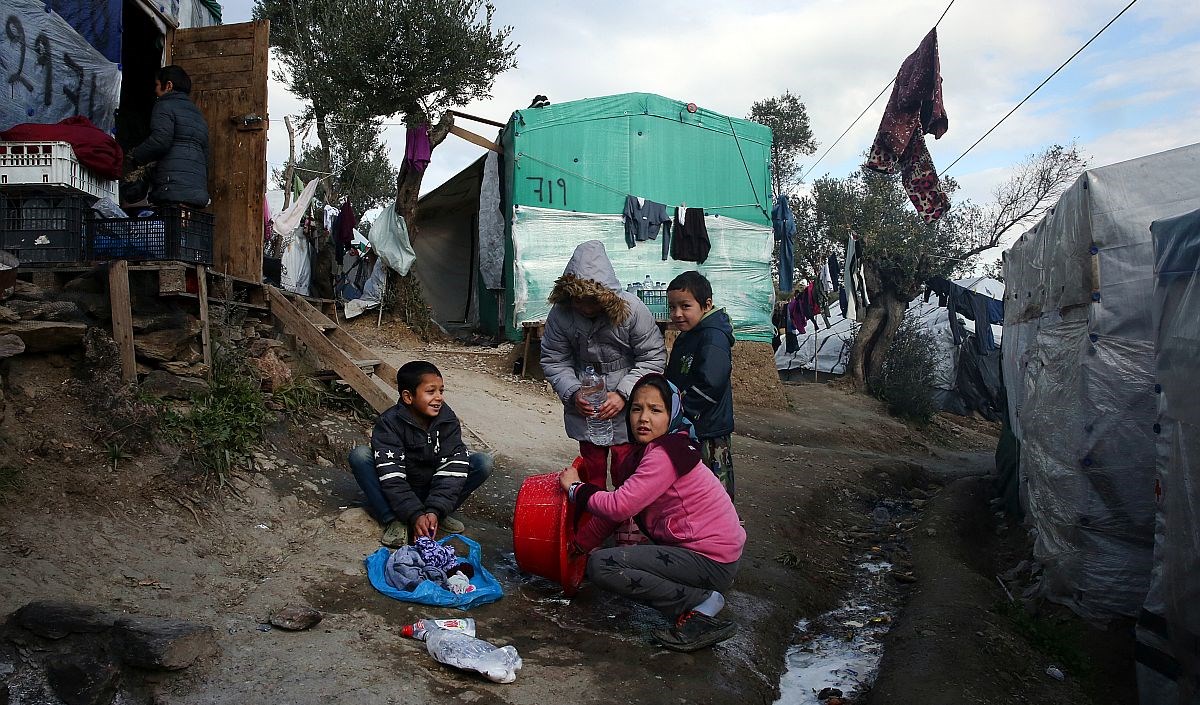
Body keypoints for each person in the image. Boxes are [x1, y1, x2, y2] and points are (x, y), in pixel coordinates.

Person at [559, 374, 745, 652]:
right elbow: (618, 513)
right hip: (709, 556)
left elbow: (619, 506)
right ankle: (699, 596)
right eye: (636, 408)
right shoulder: (652, 451)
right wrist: (578, 546)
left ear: (672, 414)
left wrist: (575, 488)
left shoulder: (664, 454)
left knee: (602, 565)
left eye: (655, 410)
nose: (643, 418)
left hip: (710, 562)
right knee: (604, 558)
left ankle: (698, 604)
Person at [540, 240, 666, 487]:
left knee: (627, 466)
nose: (585, 308)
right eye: (578, 300)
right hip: (586, 396)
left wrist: (624, 394)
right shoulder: (561, 314)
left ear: (606, 295)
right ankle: (592, 517)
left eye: (592, 300)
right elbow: (554, 359)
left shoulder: (631, 310)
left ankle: (626, 519)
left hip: (627, 400)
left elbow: (653, 356)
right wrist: (573, 392)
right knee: (592, 467)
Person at [347, 361, 492, 547]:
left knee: (482, 462)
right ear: (408, 397)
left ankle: (438, 515)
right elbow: (392, 476)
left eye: (441, 391)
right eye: (431, 392)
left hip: (431, 487)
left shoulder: (448, 421)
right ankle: (394, 520)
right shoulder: (389, 424)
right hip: (399, 489)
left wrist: (435, 510)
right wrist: (414, 514)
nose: (439, 397)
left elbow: (452, 469)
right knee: (360, 456)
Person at [664, 271, 736, 500]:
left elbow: (711, 382)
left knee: (714, 486)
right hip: (689, 425)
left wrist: (681, 412)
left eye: (685, 306)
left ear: (707, 304)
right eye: (672, 307)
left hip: (709, 428)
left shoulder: (713, 336)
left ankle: (721, 530)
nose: (677, 314)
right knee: (691, 485)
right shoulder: (689, 334)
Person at [126, 65, 210, 208]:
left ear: (168, 85)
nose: (155, 90)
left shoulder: (165, 105)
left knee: (166, 228)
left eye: (157, 85)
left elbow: (160, 141)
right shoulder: (198, 115)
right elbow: (205, 156)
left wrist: (135, 156)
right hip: (197, 193)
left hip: (171, 190)